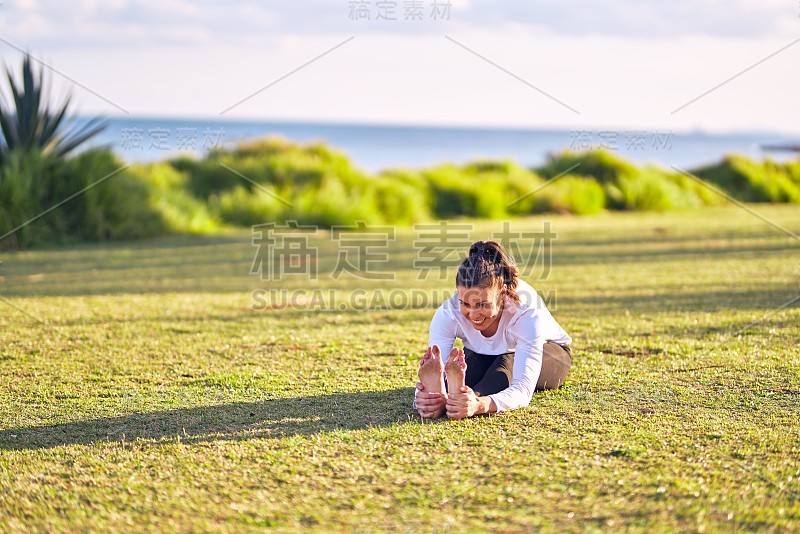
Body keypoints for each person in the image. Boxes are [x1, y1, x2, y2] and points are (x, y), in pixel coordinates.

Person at [414, 240, 572, 420]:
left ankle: (467, 398)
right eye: (465, 304)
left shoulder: (527, 312)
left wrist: (479, 405)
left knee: (504, 364)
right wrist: (424, 399)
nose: (473, 314)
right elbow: (434, 367)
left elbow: (522, 390)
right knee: (467, 364)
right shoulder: (448, 313)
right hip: (483, 354)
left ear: (502, 294)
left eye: (482, 304)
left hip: (550, 352)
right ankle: (445, 397)